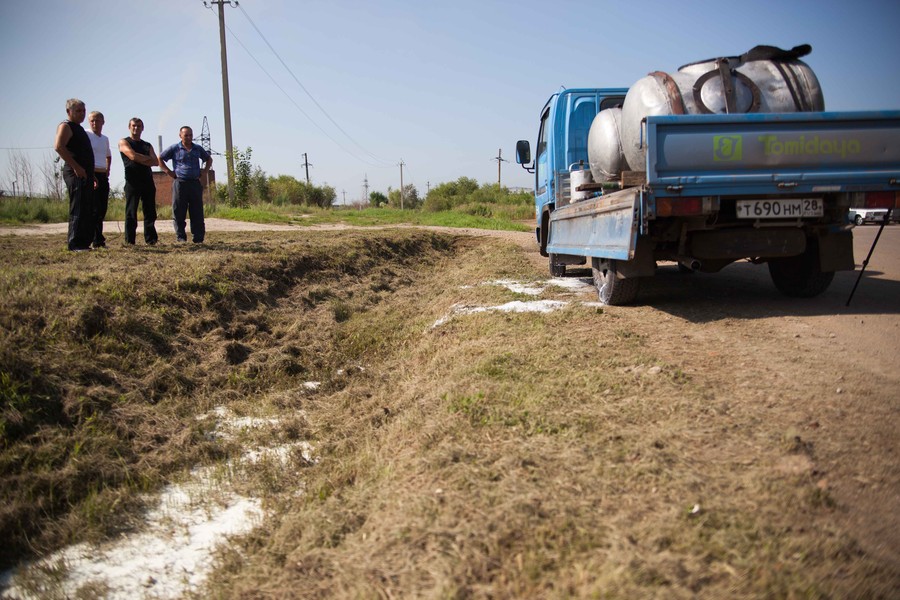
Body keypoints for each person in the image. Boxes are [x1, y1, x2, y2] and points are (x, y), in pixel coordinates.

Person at [54, 98, 95, 251]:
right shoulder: (66, 126)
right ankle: (74, 243)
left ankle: (84, 243)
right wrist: (76, 167)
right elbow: (59, 146)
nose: (82, 114)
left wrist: (92, 175)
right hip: (75, 173)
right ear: (68, 112)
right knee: (77, 207)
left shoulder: (79, 129)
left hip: (86, 174)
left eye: (83, 111)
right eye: (78, 111)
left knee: (86, 207)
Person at [159, 126, 212, 243]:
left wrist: (204, 171)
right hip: (180, 183)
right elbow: (160, 158)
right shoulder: (175, 148)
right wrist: (169, 172)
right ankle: (181, 237)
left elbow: (208, 159)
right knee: (179, 211)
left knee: (197, 211)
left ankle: (198, 238)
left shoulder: (197, 148)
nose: (188, 137)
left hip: (194, 183)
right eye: (186, 135)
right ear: (180, 135)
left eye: (190, 135)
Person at [118, 118, 159, 245]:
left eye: (139, 126)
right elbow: (132, 156)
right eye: (134, 126)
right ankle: (130, 241)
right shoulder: (124, 142)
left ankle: (151, 240)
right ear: (129, 127)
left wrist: (140, 158)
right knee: (131, 212)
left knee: (150, 212)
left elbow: (156, 161)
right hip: (132, 182)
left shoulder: (147, 145)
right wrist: (146, 159)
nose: (136, 128)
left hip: (147, 181)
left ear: (143, 128)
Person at [86, 111, 111, 248]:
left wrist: (108, 169)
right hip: (92, 173)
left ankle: (98, 238)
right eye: (92, 121)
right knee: (94, 209)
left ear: (103, 122)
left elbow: (108, 155)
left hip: (102, 175)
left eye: (97, 120)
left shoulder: (105, 139)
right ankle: (95, 240)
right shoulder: (86, 134)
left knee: (102, 209)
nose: (95, 123)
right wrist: (91, 174)